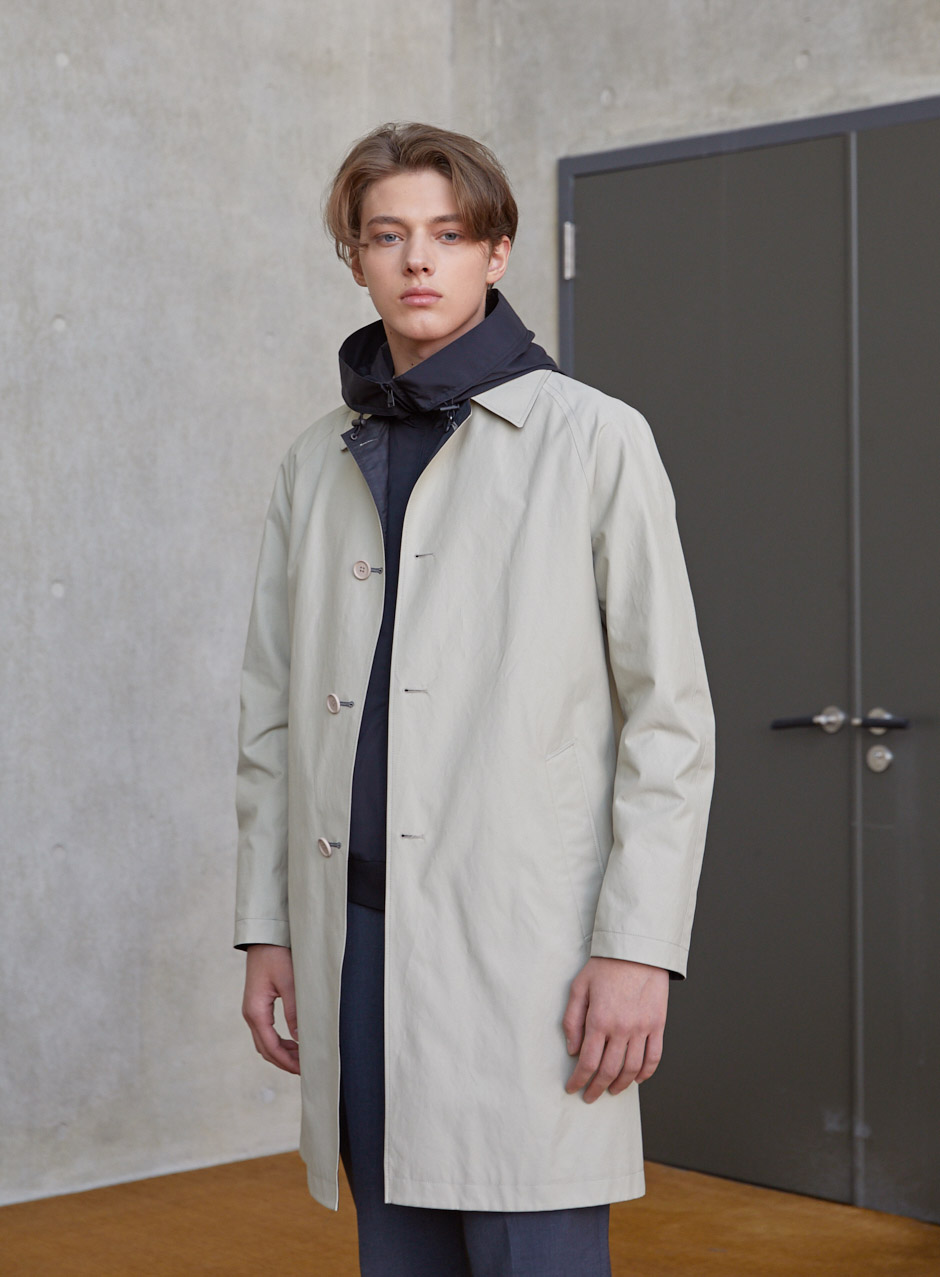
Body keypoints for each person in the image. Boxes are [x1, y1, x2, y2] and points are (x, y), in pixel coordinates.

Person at [235, 121, 715, 1277]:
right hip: (353, 937)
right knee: (397, 1251)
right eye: (387, 235)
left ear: (496, 252)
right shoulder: (315, 460)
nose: (417, 260)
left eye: (448, 234)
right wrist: (268, 924)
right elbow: (274, 713)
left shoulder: (594, 438)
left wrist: (637, 947)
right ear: (355, 256)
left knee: (532, 1245)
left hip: (527, 946)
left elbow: (669, 718)